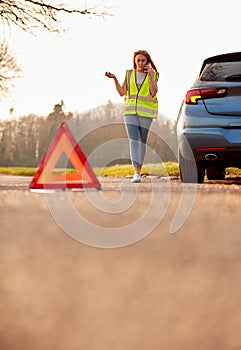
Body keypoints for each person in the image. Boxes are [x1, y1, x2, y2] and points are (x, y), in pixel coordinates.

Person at [105, 49, 159, 183]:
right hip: (130, 112)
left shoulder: (154, 75)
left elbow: (153, 92)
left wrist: (151, 76)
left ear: (147, 62)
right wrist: (115, 79)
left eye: (143, 60)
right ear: (135, 61)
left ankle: (139, 169)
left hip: (146, 113)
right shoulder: (129, 74)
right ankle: (137, 173)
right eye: (138, 60)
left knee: (142, 142)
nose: (140, 63)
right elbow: (122, 92)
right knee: (134, 141)